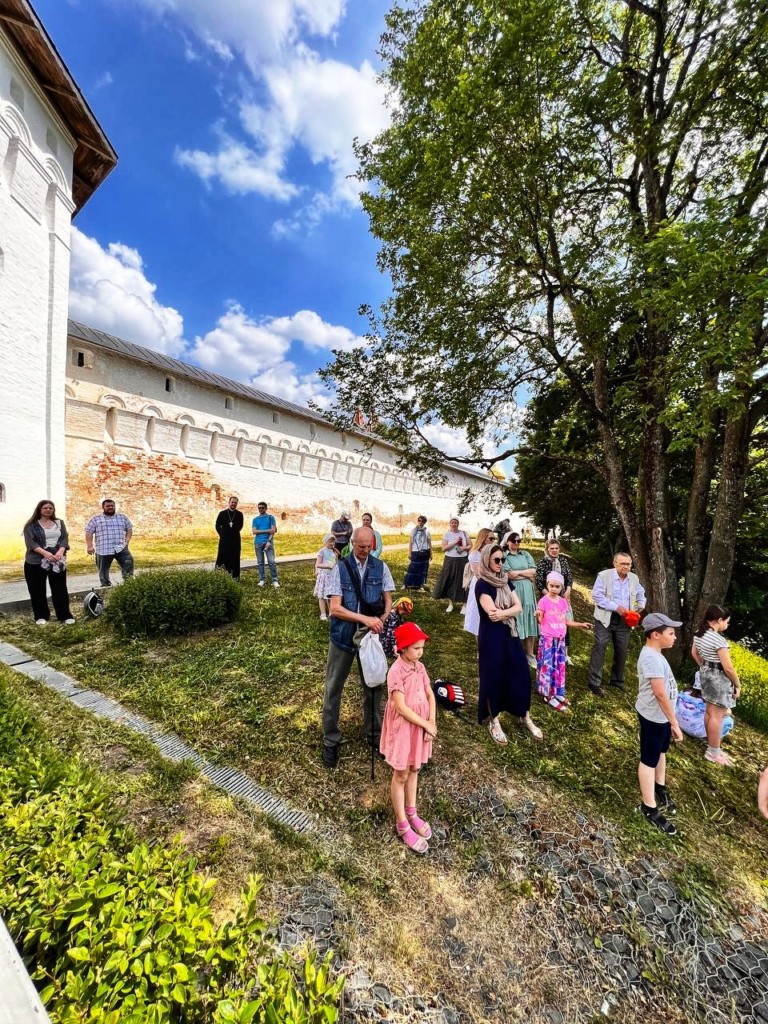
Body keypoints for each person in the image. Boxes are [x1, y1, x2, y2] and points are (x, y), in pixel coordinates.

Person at [321, 526, 395, 768]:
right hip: (342, 637)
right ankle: (330, 739)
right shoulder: (340, 568)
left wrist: (383, 618)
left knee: (373, 687)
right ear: (352, 543)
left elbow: (388, 597)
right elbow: (335, 608)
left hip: (368, 640)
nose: (365, 551)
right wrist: (365, 620)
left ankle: (374, 736)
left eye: (369, 547)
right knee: (333, 689)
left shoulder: (380, 567)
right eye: (360, 546)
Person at [475, 545, 542, 744]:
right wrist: (508, 611)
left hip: (510, 633)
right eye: (496, 560)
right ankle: (494, 720)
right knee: (493, 675)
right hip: (491, 636)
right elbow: (491, 614)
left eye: (502, 560)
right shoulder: (482, 584)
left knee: (520, 672)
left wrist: (504, 612)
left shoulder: (505, 581)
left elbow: (518, 607)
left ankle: (524, 714)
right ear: (487, 560)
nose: (500, 564)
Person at [380, 621, 436, 854]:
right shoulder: (396, 671)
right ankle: (402, 822)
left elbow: (430, 695)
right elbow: (401, 707)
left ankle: (412, 811)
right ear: (402, 648)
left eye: (422, 647)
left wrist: (431, 722)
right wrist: (424, 723)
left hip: (421, 726)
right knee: (401, 772)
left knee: (414, 768)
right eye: (416, 648)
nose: (420, 652)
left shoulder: (420, 668)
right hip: (404, 727)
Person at [635, 612, 683, 836]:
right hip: (654, 717)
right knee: (649, 759)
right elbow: (660, 694)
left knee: (661, 752)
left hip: (663, 717)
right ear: (655, 635)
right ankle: (649, 806)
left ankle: (659, 786)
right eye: (671, 633)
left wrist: (670, 719)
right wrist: (674, 722)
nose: (675, 637)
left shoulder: (658, 653)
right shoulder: (651, 658)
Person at [587, 552, 646, 695]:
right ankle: (594, 683)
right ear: (615, 563)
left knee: (622, 649)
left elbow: (640, 593)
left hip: (625, 619)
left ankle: (617, 680)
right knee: (600, 645)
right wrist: (615, 607)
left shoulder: (634, 578)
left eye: (629, 564)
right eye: (623, 564)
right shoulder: (604, 575)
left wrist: (641, 604)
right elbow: (597, 596)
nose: (626, 567)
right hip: (605, 617)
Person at [691, 605, 741, 767]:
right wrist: (737, 684)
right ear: (719, 620)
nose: (727, 625)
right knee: (717, 715)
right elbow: (728, 668)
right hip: (719, 678)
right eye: (726, 621)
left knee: (709, 712)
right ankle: (713, 752)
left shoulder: (699, 634)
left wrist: (704, 667)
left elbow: (695, 653)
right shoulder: (719, 640)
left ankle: (712, 746)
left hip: (706, 675)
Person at [535, 571, 592, 712]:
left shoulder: (562, 602)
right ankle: (547, 694)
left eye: (557, 586)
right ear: (547, 585)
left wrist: (580, 624)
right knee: (548, 667)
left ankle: (557, 692)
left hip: (560, 641)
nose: (553, 589)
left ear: (561, 588)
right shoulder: (543, 601)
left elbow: (566, 621)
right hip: (548, 640)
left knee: (559, 667)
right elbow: (540, 621)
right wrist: (537, 616)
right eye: (551, 585)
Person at [22, 500, 74, 625]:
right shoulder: (31, 525)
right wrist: (46, 554)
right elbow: (31, 543)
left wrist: (60, 552)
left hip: (57, 561)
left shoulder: (59, 523)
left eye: (51, 508)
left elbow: (64, 539)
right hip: (35, 562)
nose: (48, 510)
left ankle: (64, 615)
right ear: (39, 509)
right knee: (37, 590)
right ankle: (41, 616)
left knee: (60, 588)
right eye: (45, 508)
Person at [501, 531, 539, 667]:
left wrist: (518, 572)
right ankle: (516, 653)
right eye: (513, 541)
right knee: (515, 621)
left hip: (528, 592)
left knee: (529, 621)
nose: (516, 543)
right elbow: (509, 575)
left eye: (518, 541)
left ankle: (530, 654)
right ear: (507, 542)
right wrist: (526, 574)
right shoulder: (504, 556)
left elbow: (534, 571)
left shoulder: (526, 554)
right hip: (514, 591)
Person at [535, 538, 575, 665]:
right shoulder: (543, 562)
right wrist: (551, 597)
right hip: (548, 598)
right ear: (547, 549)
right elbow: (539, 582)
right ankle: (547, 651)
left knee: (564, 623)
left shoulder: (563, 561)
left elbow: (568, 577)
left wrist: (567, 591)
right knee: (549, 623)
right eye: (551, 548)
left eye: (556, 548)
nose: (554, 551)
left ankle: (564, 653)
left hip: (562, 598)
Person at [85, 498, 134, 588]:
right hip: (103, 549)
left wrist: (127, 540)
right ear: (103, 507)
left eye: (112, 506)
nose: (110, 507)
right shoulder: (96, 519)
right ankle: (105, 586)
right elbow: (89, 532)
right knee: (103, 570)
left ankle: (129, 585)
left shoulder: (122, 517)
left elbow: (129, 529)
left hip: (121, 548)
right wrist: (89, 546)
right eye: (108, 506)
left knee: (128, 564)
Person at [432, 517, 470, 613]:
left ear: (458, 524)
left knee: (464, 580)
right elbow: (444, 548)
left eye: (456, 522)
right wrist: (455, 542)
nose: (454, 524)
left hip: (463, 559)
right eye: (452, 522)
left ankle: (464, 605)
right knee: (449, 579)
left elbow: (470, 545)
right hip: (450, 560)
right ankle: (450, 603)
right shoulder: (447, 534)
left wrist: (463, 548)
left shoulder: (464, 533)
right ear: (450, 524)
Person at [463, 528, 496, 637]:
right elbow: (479, 574)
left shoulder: (492, 551)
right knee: (479, 614)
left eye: (494, 538)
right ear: (483, 538)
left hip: (493, 582)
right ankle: (481, 648)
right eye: (491, 538)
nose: (493, 541)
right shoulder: (475, 554)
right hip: (481, 584)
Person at [214, 495, 244, 578]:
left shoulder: (239, 514)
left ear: (237, 504)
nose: (233, 504)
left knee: (234, 557)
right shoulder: (222, 513)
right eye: (232, 502)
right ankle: (220, 576)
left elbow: (240, 526)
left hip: (235, 539)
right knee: (222, 556)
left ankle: (235, 577)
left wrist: (232, 532)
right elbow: (217, 525)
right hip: (224, 539)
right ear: (229, 503)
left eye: (235, 503)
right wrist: (222, 534)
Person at [252, 501, 279, 588]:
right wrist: (267, 530)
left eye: (262, 508)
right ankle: (262, 580)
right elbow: (254, 531)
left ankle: (275, 580)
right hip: (258, 542)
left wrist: (269, 541)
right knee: (260, 562)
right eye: (259, 508)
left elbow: (273, 531)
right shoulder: (255, 519)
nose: (261, 509)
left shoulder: (271, 518)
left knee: (271, 561)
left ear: (266, 508)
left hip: (268, 542)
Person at [403, 515, 432, 590]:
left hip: (425, 551)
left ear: (425, 522)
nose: (420, 522)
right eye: (419, 520)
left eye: (422, 521)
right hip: (415, 551)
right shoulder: (413, 531)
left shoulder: (427, 531)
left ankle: (421, 585)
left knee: (423, 569)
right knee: (412, 568)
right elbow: (410, 543)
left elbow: (429, 543)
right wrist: (409, 553)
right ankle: (406, 584)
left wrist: (431, 553)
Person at [313, 533, 338, 620]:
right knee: (322, 595)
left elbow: (335, 561)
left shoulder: (334, 551)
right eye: (330, 541)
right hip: (324, 575)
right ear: (325, 541)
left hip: (331, 576)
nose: (332, 543)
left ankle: (331, 612)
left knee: (330, 595)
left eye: (333, 542)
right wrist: (328, 566)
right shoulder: (322, 551)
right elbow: (318, 564)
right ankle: (323, 614)